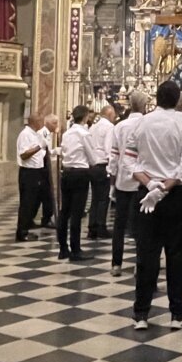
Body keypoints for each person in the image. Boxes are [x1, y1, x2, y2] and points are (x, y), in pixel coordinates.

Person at [128, 80, 182, 330]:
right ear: (177, 99)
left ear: (156, 97)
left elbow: (130, 161)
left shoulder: (141, 123)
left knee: (146, 255)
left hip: (147, 196)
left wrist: (151, 185)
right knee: (177, 255)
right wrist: (165, 186)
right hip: (175, 195)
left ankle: (141, 313)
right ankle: (177, 312)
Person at [108, 91, 147, 277]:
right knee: (142, 226)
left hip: (123, 180)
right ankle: (140, 264)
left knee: (119, 224)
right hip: (142, 182)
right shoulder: (147, 124)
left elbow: (114, 155)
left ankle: (116, 263)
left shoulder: (120, 126)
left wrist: (113, 179)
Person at [57, 106, 98, 262]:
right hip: (80, 174)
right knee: (76, 213)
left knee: (64, 211)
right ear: (86, 117)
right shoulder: (84, 134)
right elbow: (93, 158)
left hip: (66, 173)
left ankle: (62, 248)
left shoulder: (67, 134)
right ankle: (75, 250)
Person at [15, 114, 47, 242]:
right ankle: (22, 233)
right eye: (41, 121)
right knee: (26, 203)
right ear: (34, 121)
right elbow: (23, 154)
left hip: (36, 171)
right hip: (28, 173)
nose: (42, 124)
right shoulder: (25, 134)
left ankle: (27, 227)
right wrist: (39, 146)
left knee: (33, 202)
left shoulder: (34, 134)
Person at [86, 105, 115, 240]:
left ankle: (92, 227)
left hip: (92, 165)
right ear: (109, 114)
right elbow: (109, 149)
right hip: (103, 165)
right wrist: (112, 169)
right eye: (113, 114)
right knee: (103, 198)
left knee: (95, 198)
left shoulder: (93, 126)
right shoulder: (109, 127)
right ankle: (101, 227)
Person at [36, 114, 59, 229]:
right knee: (46, 194)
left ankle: (47, 217)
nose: (56, 125)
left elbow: (48, 150)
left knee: (47, 193)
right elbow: (41, 150)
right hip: (42, 166)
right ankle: (46, 218)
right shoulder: (42, 133)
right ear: (48, 123)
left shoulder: (48, 134)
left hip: (46, 164)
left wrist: (56, 151)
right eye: (55, 123)